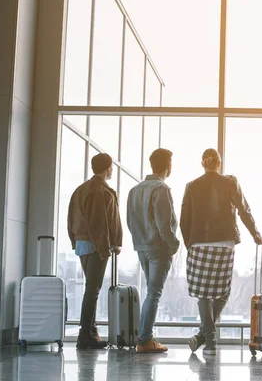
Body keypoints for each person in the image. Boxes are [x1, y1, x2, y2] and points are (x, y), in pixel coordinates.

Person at [181, 148, 262, 355]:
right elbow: (244, 210)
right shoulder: (230, 182)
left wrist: (189, 244)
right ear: (219, 163)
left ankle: (208, 339)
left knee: (203, 293)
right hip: (224, 242)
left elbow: (184, 219)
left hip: (198, 243)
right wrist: (255, 234)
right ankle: (206, 336)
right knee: (223, 290)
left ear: (203, 164)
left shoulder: (191, 186)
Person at [127, 148, 180, 353]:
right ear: (168, 165)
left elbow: (130, 221)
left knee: (151, 292)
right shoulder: (162, 189)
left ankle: (145, 336)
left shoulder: (135, 190)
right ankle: (145, 339)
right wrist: (173, 245)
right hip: (159, 248)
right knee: (154, 293)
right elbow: (163, 224)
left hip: (142, 246)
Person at [68, 153, 122, 349]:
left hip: (82, 243)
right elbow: (100, 222)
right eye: (111, 167)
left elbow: (71, 218)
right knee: (93, 289)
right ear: (107, 168)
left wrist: (74, 238)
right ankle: (85, 335)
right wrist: (107, 246)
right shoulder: (101, 191)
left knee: (91, 288)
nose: (112, 170)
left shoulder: (80, 190)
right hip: (95, 244)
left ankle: (91, 332)